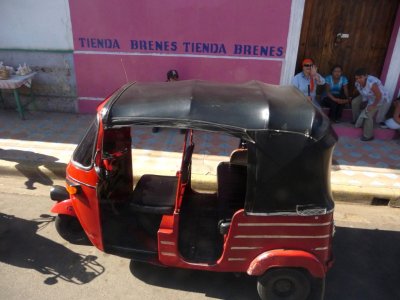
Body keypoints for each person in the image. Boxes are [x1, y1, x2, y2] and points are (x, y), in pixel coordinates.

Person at [352, 68, 390, 141]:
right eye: (357, 78)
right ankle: (356, 120)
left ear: (365, 76)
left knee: (368, 114)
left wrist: (373, 106)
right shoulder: (357, 83)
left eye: (360, 77)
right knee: (355, 102)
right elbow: (359, 90)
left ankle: (368, 135)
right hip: (367, 95)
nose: (358, 80)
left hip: (379, 98)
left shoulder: (371, 83)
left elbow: (379, 96)